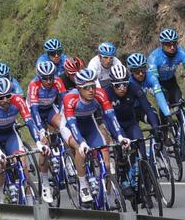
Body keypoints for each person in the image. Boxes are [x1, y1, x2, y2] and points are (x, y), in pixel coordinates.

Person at [61, 68, 127, 204]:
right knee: (80, 149)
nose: (91, 90)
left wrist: (120, 136)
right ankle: (83, 184)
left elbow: (111, 116)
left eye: (93, 86)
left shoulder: (100, 94)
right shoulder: (70, 98)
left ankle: (108, 195)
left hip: (89, 124)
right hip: (70, 126)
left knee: (107, 165)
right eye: (86, 88)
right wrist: (82, 142)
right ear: (79, 88)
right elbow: (72, 124)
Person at [0, 77, 46, 202]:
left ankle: (29, 199)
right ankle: (0, 196)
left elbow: (29, 122)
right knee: (1, 164)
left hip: (10, 133)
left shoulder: (18, 100)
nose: (5, 100)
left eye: (8, 96)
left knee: (23, 163)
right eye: (1, 98)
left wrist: (38, 142)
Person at [105, 66, 160, 198]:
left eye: (125, 84)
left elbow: (147, 108)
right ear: (112, 85)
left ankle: (145, 179)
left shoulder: (134, 88)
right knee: (122, 149)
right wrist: (117, 136)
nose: (122, 88)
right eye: (118, 85)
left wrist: (155, 126)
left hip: (131, 123)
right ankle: (123, 178)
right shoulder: (106, 93)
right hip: (116, 125)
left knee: (141, 147)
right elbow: (106, 118)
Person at [27, 60, 68, 203]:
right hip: (36, 112)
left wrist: (63, 118)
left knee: (64, 126)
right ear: (39, 77)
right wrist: (41, 131)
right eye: (45, 78)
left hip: (50, 109)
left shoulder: (57, 81)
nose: (49, 81)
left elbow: (64, 102)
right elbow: (34, 111)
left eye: (51, 77)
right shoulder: (34, 85)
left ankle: (67, 157)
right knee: (44, 143)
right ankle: (45, 184)